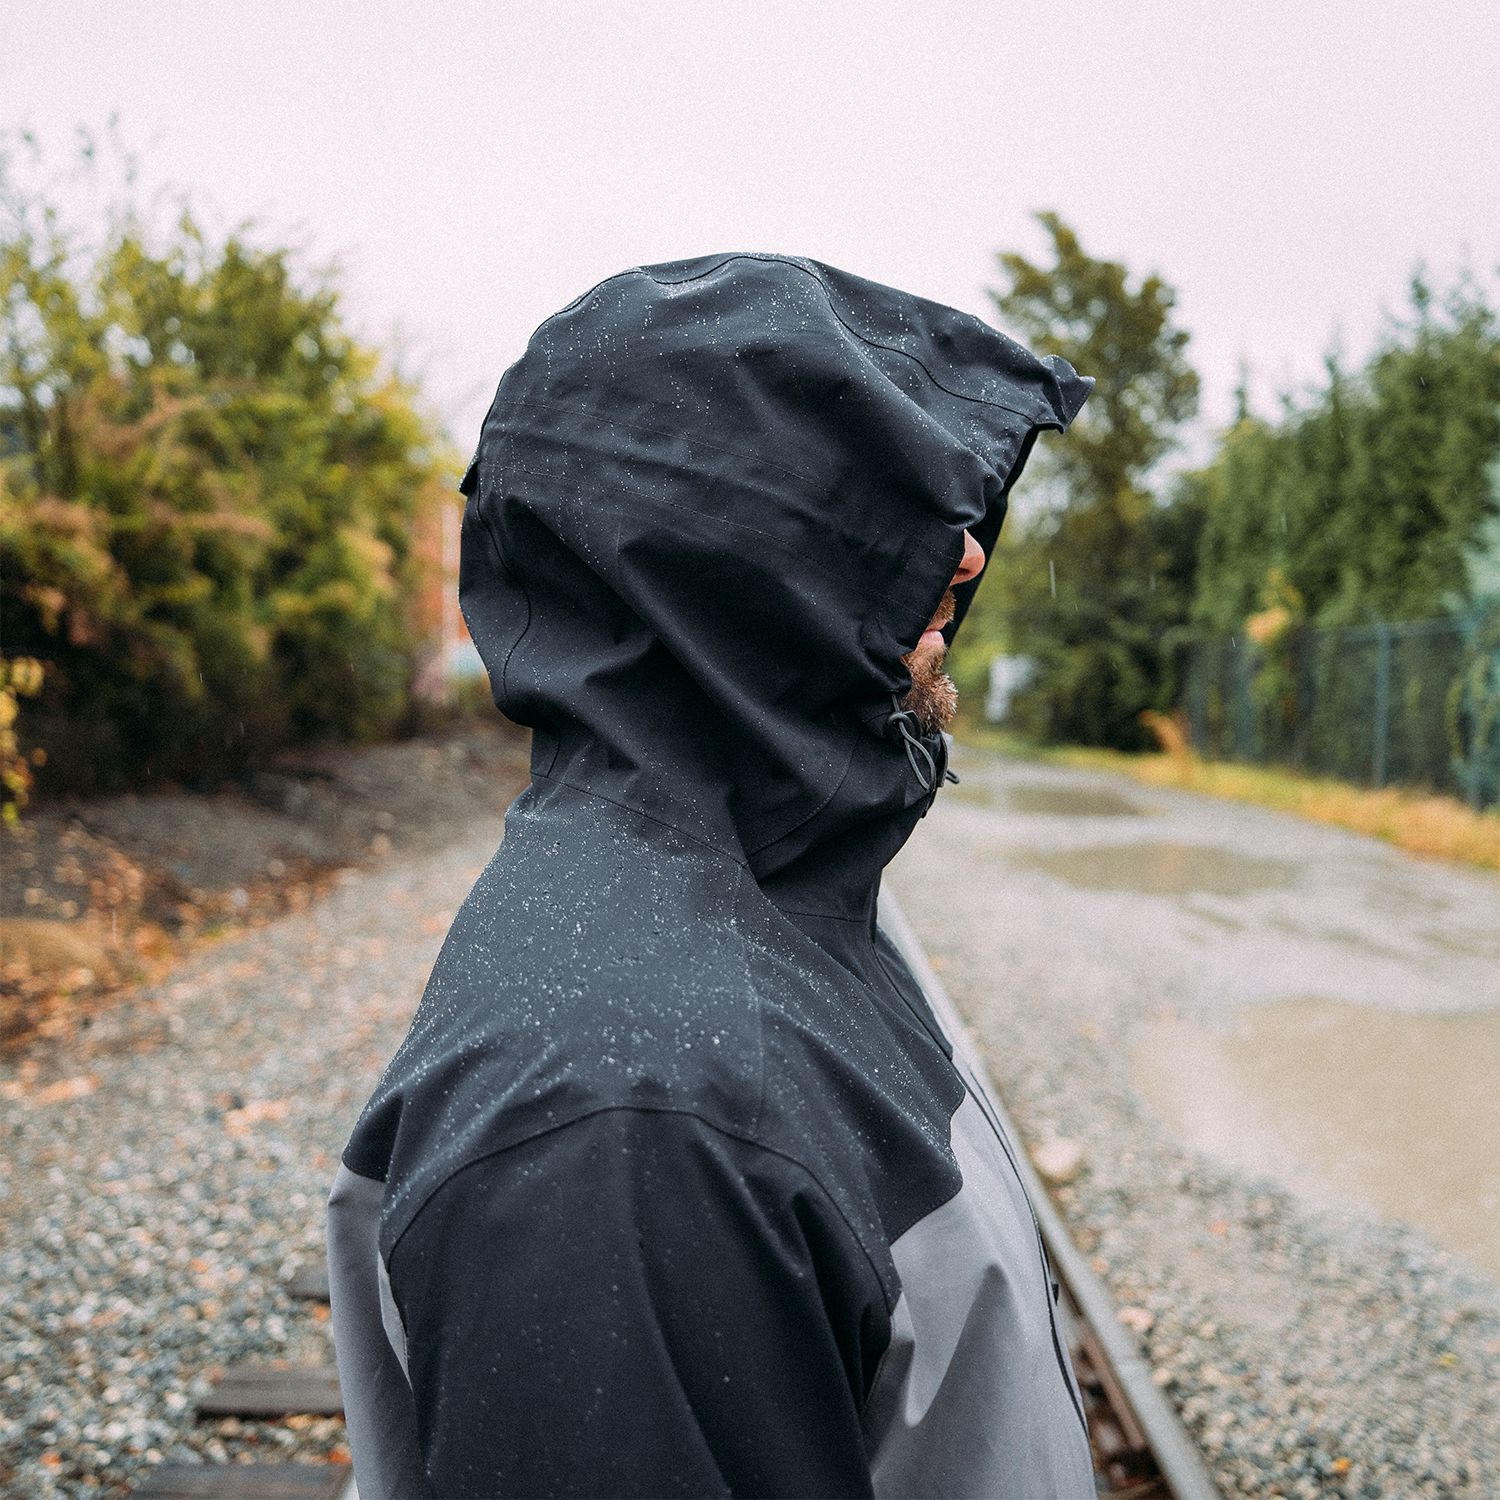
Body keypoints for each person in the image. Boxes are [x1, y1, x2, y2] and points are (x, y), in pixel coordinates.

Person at [327, 253, 1095, 1500]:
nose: (964, 562)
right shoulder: (634, 1122)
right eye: (879, 512)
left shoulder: (777, 891)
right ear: (724, 567)